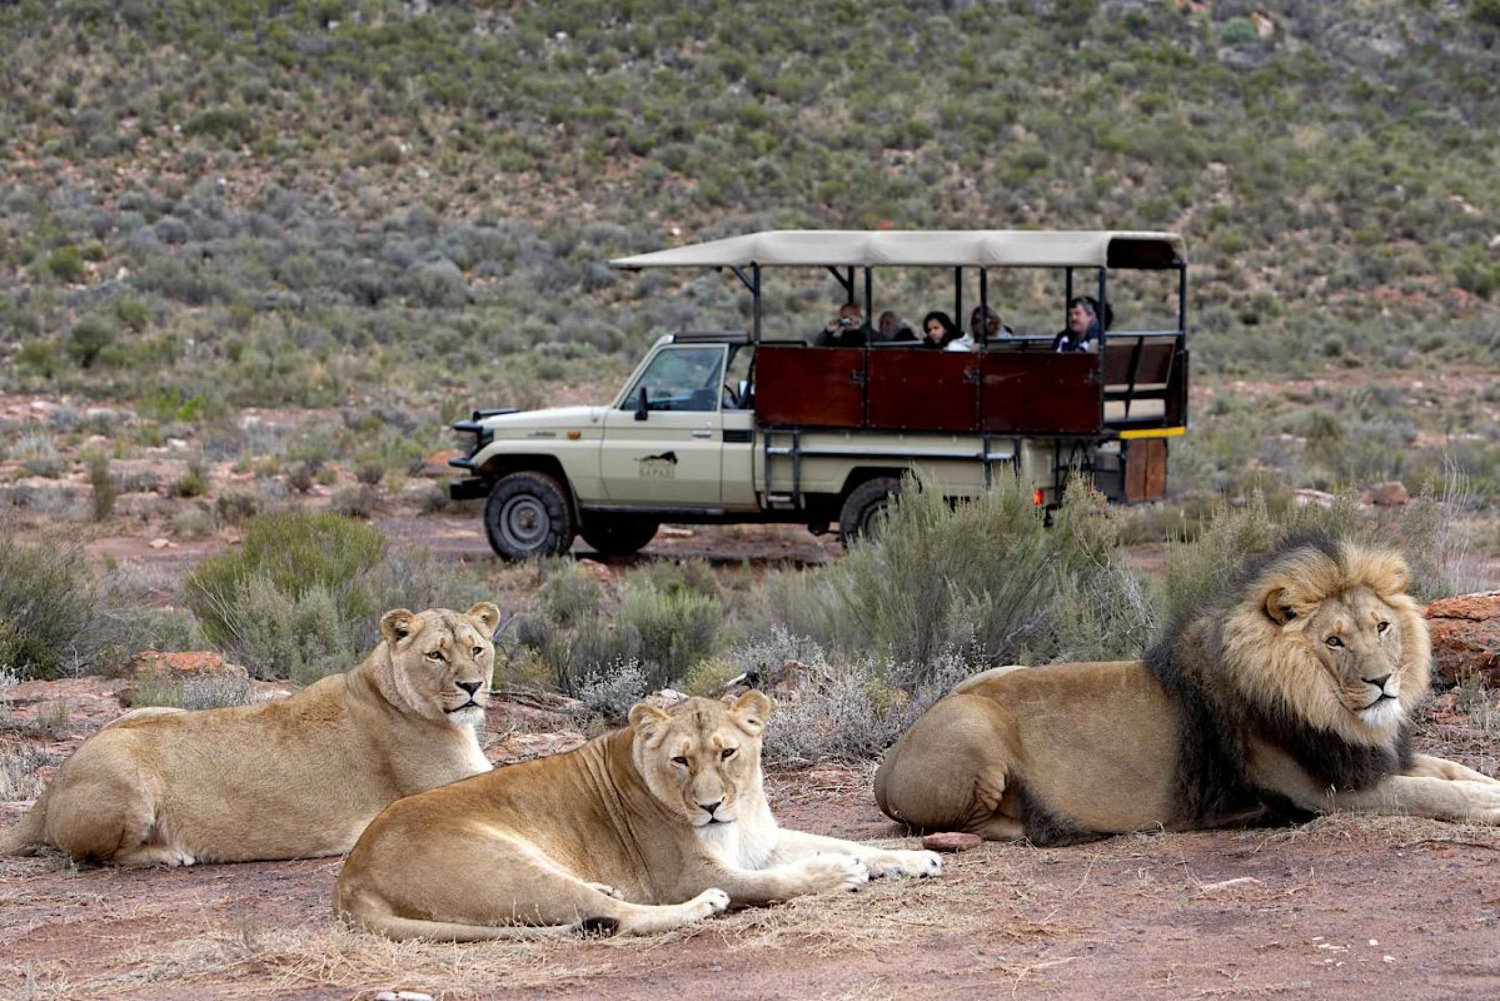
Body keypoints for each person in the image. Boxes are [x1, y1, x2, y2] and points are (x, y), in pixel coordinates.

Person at [944, 305, 1010, 352]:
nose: (980, 324)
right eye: (977, 321)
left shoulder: (1005, 338)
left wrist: (985, 347)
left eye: (989, 319)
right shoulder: (967, 341)